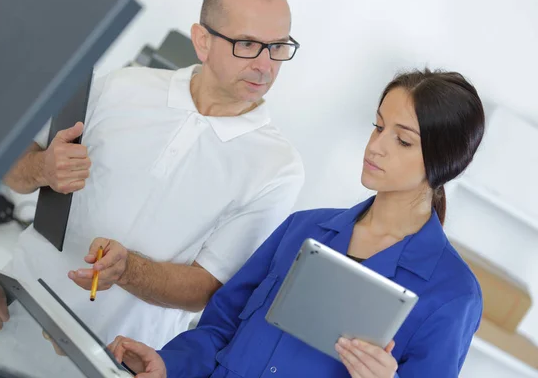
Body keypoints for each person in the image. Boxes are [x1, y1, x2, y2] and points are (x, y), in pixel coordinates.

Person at [0, 0, 303, 350]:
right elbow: (10, 165)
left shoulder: (277, 168)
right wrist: (43, 167)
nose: (266, 65)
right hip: (8, 316)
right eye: (248, 44)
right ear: (203, 40)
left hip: (111, 359)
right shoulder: (122, 86)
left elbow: (206, 288)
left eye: (278, 46)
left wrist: (129, 269)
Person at [108, 69, 486, 378]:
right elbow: (220, 328)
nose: (376, 146)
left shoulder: (453, 294)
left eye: (402, 141)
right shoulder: (303, 229)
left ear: (444, 162)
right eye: (378, 126)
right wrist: (169, 364)